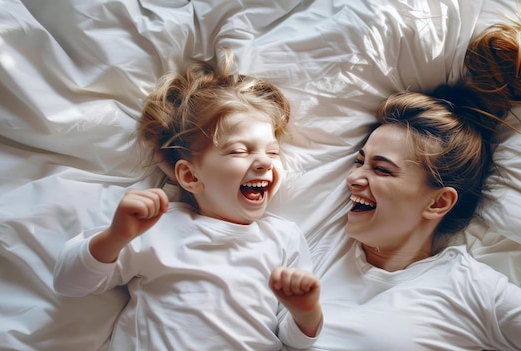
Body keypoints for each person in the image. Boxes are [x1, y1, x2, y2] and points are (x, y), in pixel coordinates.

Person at [293, 14, 521, 351]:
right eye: (359, 161)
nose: (353, 178)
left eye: (381, 170)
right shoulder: (321, 243)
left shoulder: (466, 287)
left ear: (438, 202)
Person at [53, 49, 323, 351]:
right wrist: (115, 237)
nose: (264, 162)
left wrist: (305, 311)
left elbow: (294, 340)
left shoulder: (283, 237)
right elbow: (70, 283)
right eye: (239, 151)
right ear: (191, 176)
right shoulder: (158, 226)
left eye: (272, 152)